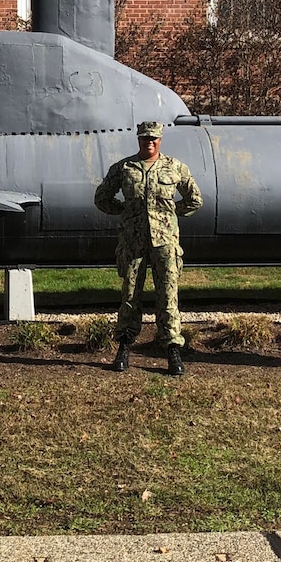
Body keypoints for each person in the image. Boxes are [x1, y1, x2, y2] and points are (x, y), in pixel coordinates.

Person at [93, 121, 203, 377]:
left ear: (160, 140)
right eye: (144, 138)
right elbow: (102, 198)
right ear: (139, 140)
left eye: (153, 138)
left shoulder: (175, 167)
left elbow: (194, 199)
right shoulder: (124, 168)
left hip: (165, 243)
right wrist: (125, 213)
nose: (149, 142)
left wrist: (170, 216)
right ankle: (124, 346)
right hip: (133, 242)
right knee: (130, 295)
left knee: (168, 297)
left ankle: (173, 349)